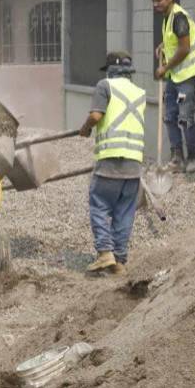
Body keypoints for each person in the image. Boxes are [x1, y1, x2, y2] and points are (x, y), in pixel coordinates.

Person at [80, 51, 146, 276]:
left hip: (110, 161)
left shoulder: (104, 86)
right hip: (134, 166)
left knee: (99, 204)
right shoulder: (140, 93)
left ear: (110, 70)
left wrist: (86, 127)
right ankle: (119, 261)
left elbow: (97, 116)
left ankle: (104, 252)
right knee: (124, 213)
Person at [152, 0, 195, 173]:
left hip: (190, 74)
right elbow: (174, 41)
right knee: (169, 116)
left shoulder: (179, 17)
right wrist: (163, 46)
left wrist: (164, 67)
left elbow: (184, 49)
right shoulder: (168, 17)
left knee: (184, 117)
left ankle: (193, 159)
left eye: (159, 0)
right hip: (176, 76)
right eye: (154, 1)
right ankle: (177, 158)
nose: (155, 4)